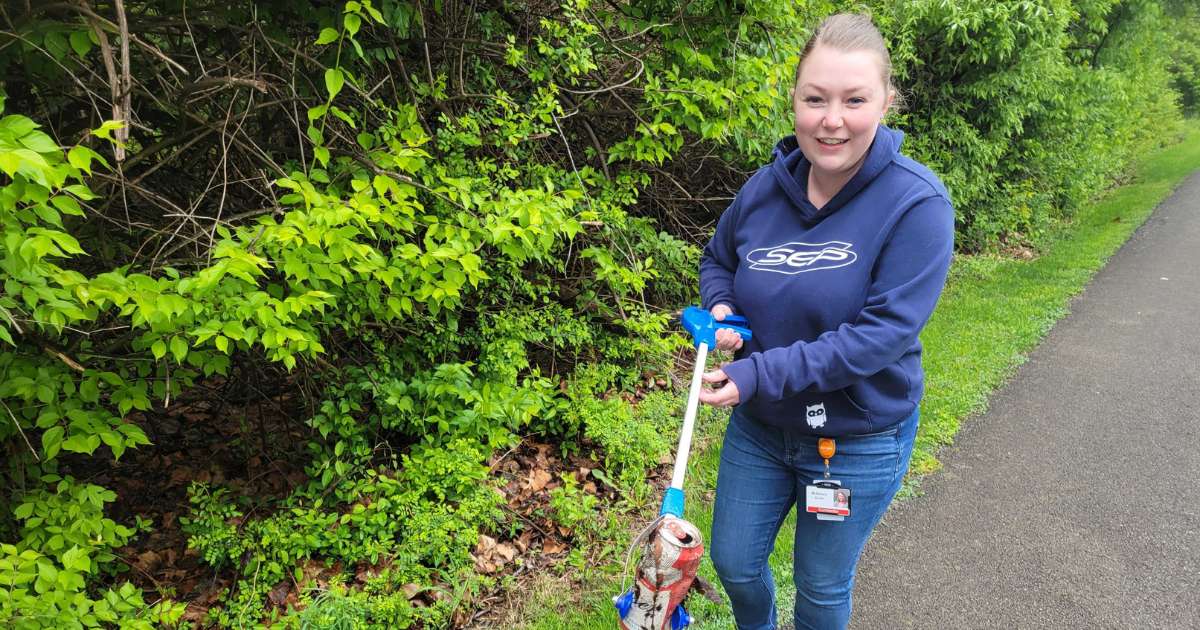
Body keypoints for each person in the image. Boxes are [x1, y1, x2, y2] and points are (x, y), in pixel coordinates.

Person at [696, 13, 954, 630]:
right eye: (815, 99)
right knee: (732, 563)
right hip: (762, 426)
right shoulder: (764, 189)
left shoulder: (917, 204)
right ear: (795, 101)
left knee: (820, 586)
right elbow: (719, 260)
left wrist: (755, 373)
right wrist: (723, 307)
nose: (831, 119)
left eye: (854, 99)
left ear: (887, 102)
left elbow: (876, 339)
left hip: (855, 437)